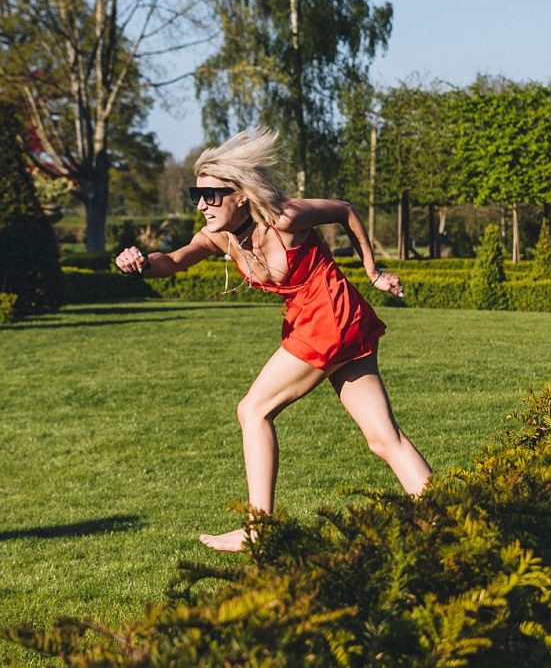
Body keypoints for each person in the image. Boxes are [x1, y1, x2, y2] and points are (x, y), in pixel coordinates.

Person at [114, 129, 432, 551]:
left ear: (241, 195)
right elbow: (172, 261)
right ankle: (446, 517)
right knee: (382, 438)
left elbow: (345, 210)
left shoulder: (283, 218)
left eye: (212, 195)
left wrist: (373, 271)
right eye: (196, 195)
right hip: (328, 321)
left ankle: (257, 527)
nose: (202, 205)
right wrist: (137, 263)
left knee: (253, 409)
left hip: (328, 317)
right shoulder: (218, 238)